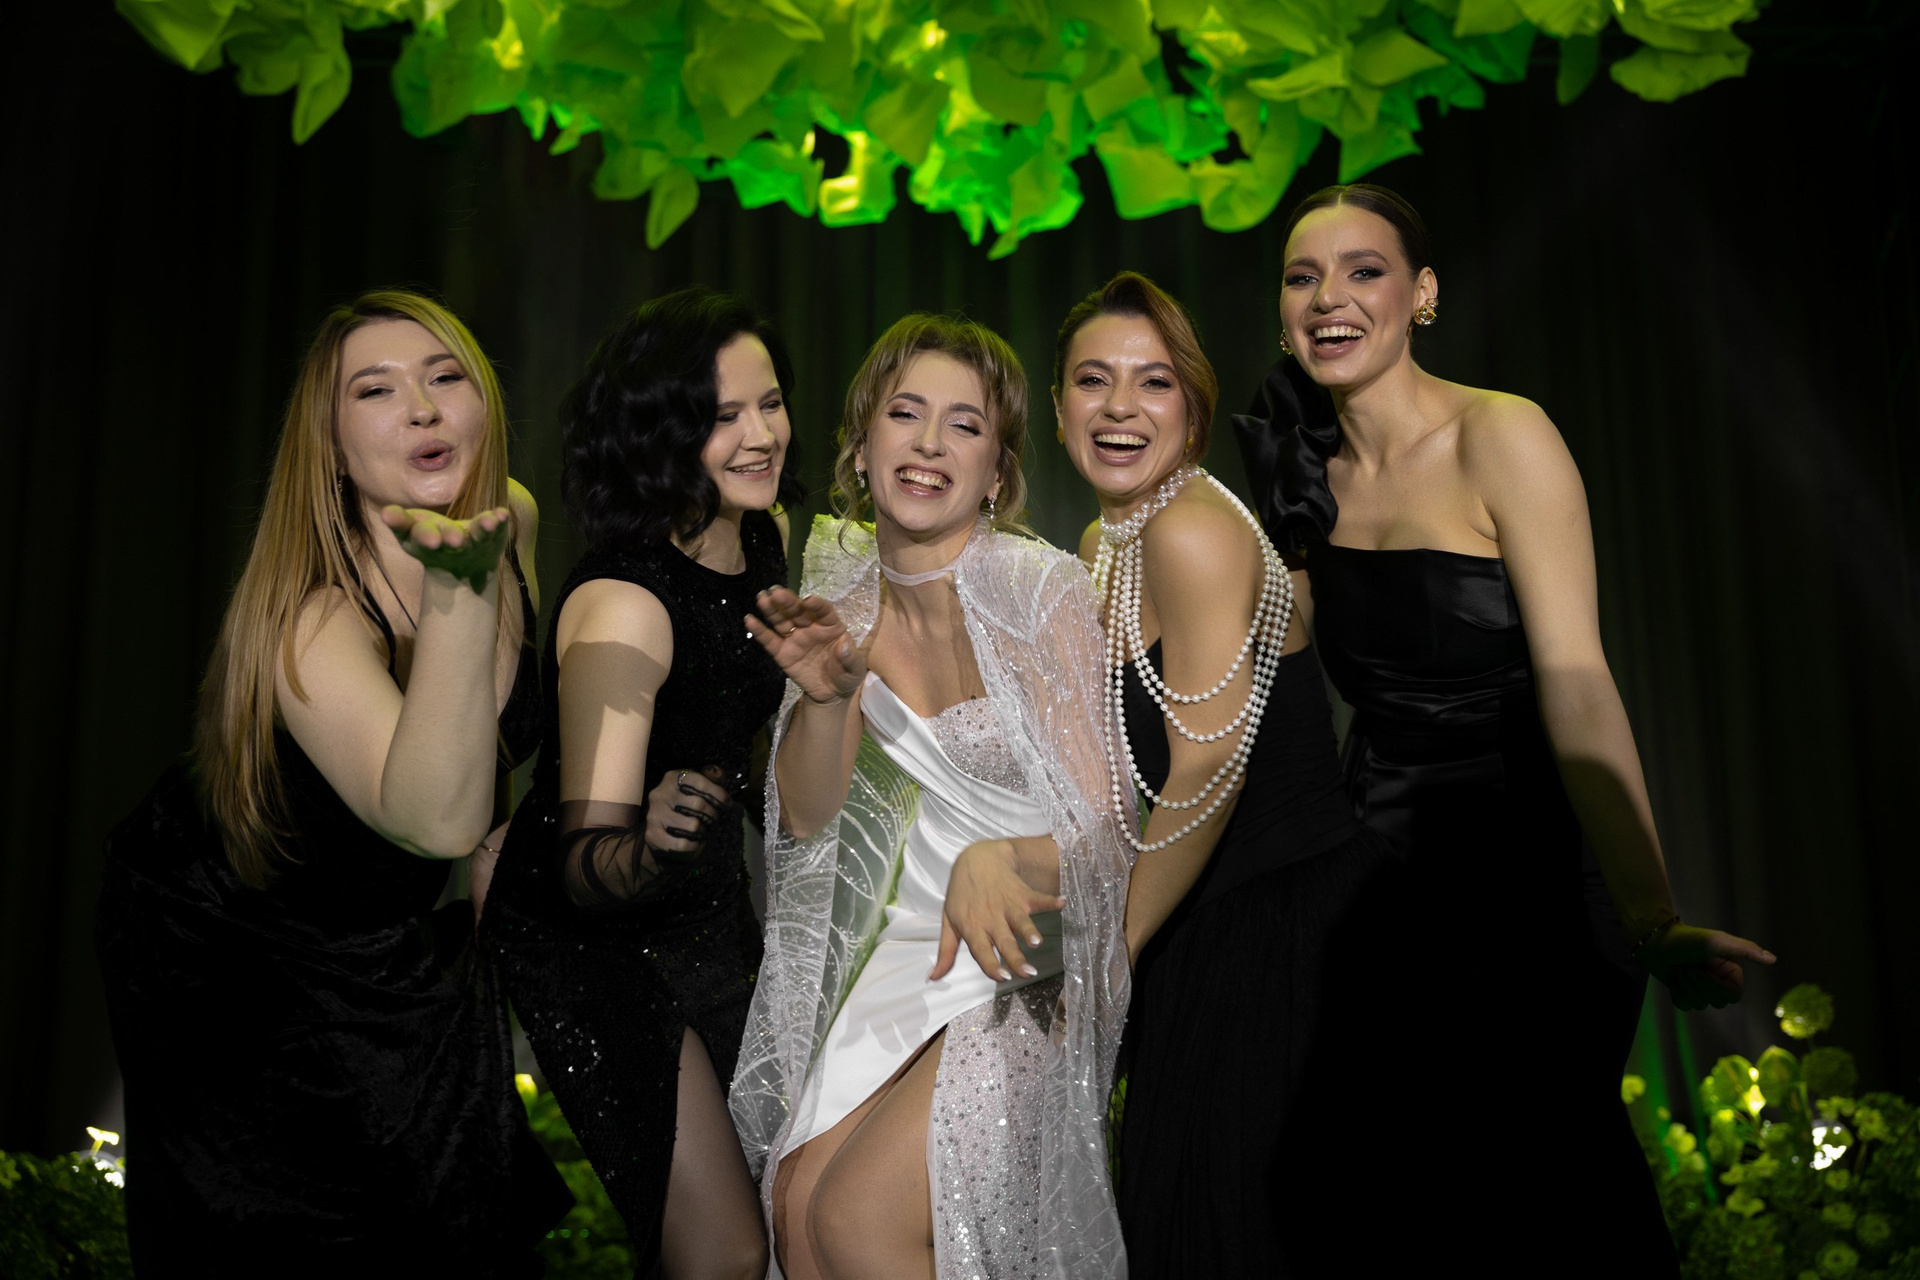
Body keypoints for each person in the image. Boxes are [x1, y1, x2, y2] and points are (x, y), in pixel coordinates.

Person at [1235, 183, 1777, 1270]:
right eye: (1303, 277)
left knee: (1548, 1187)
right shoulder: (1302, 473)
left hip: (1534, 875)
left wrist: (1653, 917)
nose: (1330, 297)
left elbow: (1579, 682)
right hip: (1382, 886)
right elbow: (1275, 687)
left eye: (1364, 270)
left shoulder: (1503, 434)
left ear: (1423, 294)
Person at [96, 290, 569, 1272]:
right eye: (376, 390)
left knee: (439, 1192)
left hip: (379, 918)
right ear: (336, 449)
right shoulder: (313, 620)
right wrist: (460, 593)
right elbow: (435, 817)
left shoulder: (509, 518)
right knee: (287, 1220)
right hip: (224, 934)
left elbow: (485, 743)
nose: (423, 408)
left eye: (445, 376)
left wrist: (502, 845)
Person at [729, 315, 1132, 1280]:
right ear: (861, 445)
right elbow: (809, 825)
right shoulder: (840, 601)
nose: (930, 443)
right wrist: (826, 699)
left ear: (997, 472)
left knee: (858, 1221)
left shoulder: (1041, 589)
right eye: (906, 414)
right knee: (795, 1211)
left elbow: (1114, 829)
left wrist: (1005, 861)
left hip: (1025, 946)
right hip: (901, 948)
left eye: (965, 425)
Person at [1052, 271, 1403, 1275]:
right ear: (1058, 406)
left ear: (1194, 409)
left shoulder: (1190, 528)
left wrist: (1108, 955)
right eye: (1093, 379)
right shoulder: (1106, 541)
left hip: (1285, 944)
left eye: (1154, 381)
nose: (1120, 407)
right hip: (1205, 930)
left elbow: (1208, 763)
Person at [483, 288, 792, 1280]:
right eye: (721, 416)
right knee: (723, 1250)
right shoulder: (625, 602)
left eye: (770, 403)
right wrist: (655, 842)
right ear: (660, 436)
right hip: (590, 937)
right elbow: (582, 864)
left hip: (707, 907)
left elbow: (743, 737)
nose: (760, 435)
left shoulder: (766, 540)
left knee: (776, 1208)